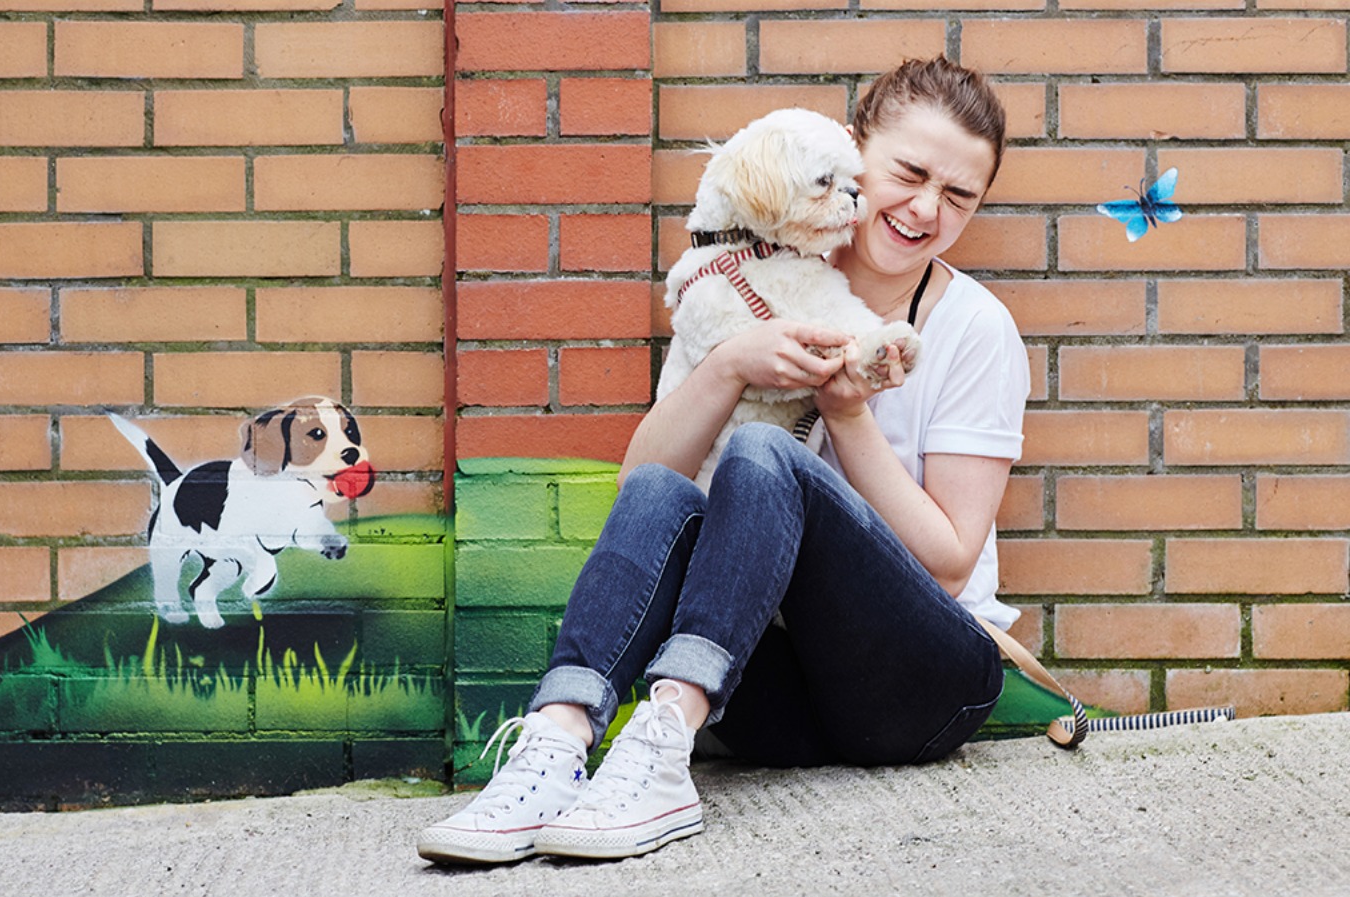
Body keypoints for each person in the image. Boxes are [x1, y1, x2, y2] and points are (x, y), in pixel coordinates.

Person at [418, 55, 1028, 864]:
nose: (925, 209)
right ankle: (558, 742)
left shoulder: (976, 330)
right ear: (853, 151)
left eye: (958, 196)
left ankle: (662, 737)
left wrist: (847, 413)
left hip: (919, 688)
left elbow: (949, 566)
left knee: (760, 449)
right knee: (668, 493)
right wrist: (733, 363)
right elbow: (643, 490)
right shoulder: (750, 279)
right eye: (909, 174)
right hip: (774, 699)